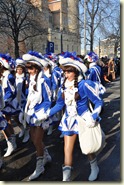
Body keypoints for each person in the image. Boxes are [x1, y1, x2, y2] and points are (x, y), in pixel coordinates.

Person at [39, 51, 104, 181]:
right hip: (69, 120)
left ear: (76, 71)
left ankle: (94, 167)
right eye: (65, 72)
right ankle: (66, 178)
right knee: (67, 149)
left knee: (88, 147)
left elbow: (98, 101)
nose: (66, 74)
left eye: (68, 72)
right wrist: (46, 114)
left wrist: (94, 116)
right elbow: (58, 105)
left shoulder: (84, 84)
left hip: (84, 119)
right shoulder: (63, 87)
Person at [22, 51, 52, 181]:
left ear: (37, 67)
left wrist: (43, 115)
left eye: (31, 68)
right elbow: (30, 97)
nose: (29, 70)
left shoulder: (44, 80)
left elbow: (48, 100)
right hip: (31, 114)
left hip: (40, 115)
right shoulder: (31, 79)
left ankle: (40, 167)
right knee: (34, 140)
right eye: (27, 68)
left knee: (38, 141)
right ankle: (46, 156)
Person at [0, 54, 21, 157]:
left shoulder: (9, 76)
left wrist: (3, 101)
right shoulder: (4, 75)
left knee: (7, 122)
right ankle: (12, 143)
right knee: (7, 122)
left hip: (9, 103)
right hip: (4, 102)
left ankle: (12, 143)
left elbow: (11, 92)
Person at [15, 58, 30, 143]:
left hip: (24, 100)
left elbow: (27, 91)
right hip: (15, 101)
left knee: (23, 118)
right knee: (16, 118)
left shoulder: (25, 78)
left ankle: (27, 132)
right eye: (18, 69)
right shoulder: (14, 77)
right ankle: (22, 129)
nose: (19, 71)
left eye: (21, 69)